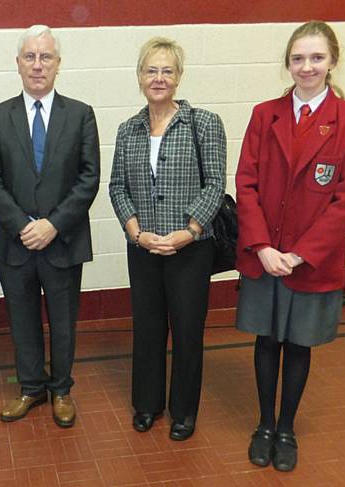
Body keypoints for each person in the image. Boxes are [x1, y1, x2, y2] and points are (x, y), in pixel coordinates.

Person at [235, 20, 345, 472]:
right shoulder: (264, 114)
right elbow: (247, 182)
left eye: (316, 58)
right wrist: (261, 246)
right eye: (298, 58)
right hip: (265, 256)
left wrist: (297, 254)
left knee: (297, 345)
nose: (306, 66)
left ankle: (287, 428)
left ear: (332, 61)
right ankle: (264, 424)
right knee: (266, 340)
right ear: (288, 63)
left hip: (309, 262)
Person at [0, 25, 100, 428]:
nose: (37, 65)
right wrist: (22, 226)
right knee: (22, 318)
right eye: (29, 57)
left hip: (63, 241)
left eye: (45, 57)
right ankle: (31, 388)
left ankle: (61, 390)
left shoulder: (81, 114)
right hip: (15, 243)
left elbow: (89, 178)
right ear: (18, 64)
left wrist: (51, 225)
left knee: (63, 321)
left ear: (58, 65)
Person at [109, 37, 226, 438]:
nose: (158, 78)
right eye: (151, 70)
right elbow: (117, 187)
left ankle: (184, 412)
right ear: (140, 76)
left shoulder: (204, 123)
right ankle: (147, 405)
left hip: (190, 248)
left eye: (167, 70)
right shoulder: (128, 130)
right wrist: (137, 232)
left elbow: (215, 185)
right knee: (148, 328)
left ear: (178, 77)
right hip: (142, 248)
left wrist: (188, 231)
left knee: (188, 331)